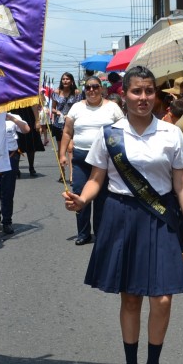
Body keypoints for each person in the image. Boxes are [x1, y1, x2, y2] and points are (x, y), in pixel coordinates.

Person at [64, 65, 183, 364]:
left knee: (163, 297)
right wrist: (82, 199)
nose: (143, 98)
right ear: (123, 95)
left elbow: (182, 184)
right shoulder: (109, 134)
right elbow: (98, 178)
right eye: (136, 91)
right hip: (121, 216)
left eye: (149, 91)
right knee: (130, 296)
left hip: (160, 218)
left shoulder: (171, 134)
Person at [58, 77, 124, 246]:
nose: (92, 90)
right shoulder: (76, 108)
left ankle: (101, 232)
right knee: (79, 194)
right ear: (84, 90)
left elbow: (122, 131)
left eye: (95, 87)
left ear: (102, 89)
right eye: (88, 87)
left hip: (105, 160)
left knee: (102, 197)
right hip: (81, 158)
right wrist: (62, 154)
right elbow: (67, 132)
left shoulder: (113, 108)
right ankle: (83, 233)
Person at [0, 112, 29, 235]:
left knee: (7, 191)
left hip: (11, 156)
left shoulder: (13, 117)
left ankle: (7, 221)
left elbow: (26, 129)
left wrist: (12, 118)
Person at [48, 73, 81, 179]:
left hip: (72, 123)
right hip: (59, 124)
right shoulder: (56, 92)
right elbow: (52, 108)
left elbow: (81, 107)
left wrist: (70, 115)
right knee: (61, 149)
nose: (65, 81)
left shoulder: (76, 93)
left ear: (72, 81)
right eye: (63, 79)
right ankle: (62, 173)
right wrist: (57, 112)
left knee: (70, 149)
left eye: (67, 79)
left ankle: (72, 174)